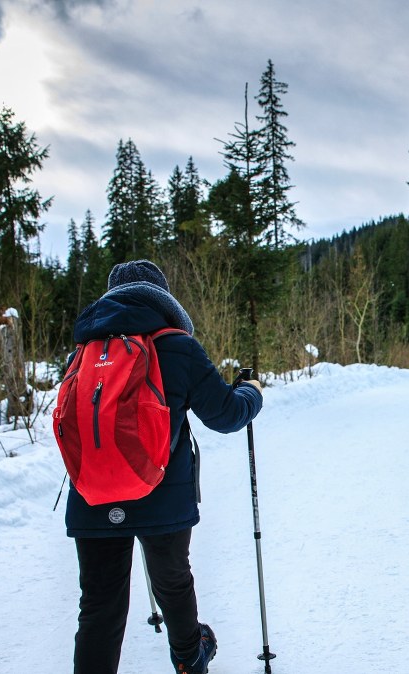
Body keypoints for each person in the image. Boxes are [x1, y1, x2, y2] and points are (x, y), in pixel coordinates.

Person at [64, 259, 263, 674]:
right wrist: (251, 392)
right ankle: (189, 659)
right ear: (163, 298)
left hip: (93, 493)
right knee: (172, 580)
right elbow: (226, 415)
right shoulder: (176, 346)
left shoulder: (84, 351)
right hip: (162, 494)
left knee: (99, 603)